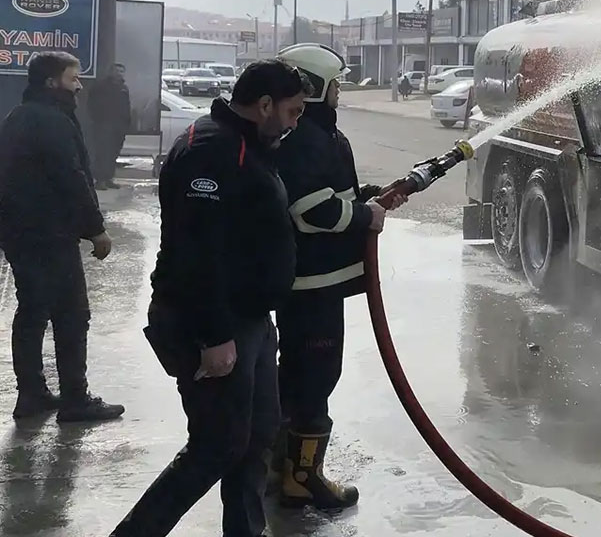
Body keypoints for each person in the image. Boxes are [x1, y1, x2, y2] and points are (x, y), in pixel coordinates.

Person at [110, 59, 310, 537]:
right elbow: (195, 253)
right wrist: (214, 336)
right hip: (212, 323)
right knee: (217, 446)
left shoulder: (250, 144)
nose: (295, 122)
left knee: (258, 436)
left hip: (252, 321)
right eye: (293, 112)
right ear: (264, 105)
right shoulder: (211, 151)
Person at [271, 43, 400, 510]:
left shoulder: (316, 132)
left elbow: (332, 193)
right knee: (315, 378)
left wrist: (366, 196)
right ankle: (302, 479)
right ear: (315, 86)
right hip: (312, 286)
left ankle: (278, 465)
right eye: (336, 84)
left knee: (297, 376)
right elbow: (312, 210)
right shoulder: (305, 138)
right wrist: (364, 217)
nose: (341, 92)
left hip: (316, 283)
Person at [0, 51, 125, 423]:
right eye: (73, 79)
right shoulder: (52, 120)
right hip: (50, 233)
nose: (79, 85)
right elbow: (71, 177)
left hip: (20, 233)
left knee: (33, 311)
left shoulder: (18, 116)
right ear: (52, 83)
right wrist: (96, 229)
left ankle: (32, 395)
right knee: (72, 314)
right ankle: (75, 399)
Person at [88, 63, 132, 189]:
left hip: (119, 126)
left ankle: (108, 178)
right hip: (104, 125)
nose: (119, 73)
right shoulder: (101, 86)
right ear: (111, 72)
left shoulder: (123, 88)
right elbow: (92, 103)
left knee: (114, 153)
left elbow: (126, 106)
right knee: (103, 152)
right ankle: (100, 180)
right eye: (116, 70)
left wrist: (127, 122)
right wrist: (98, 118)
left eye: (121, 71)